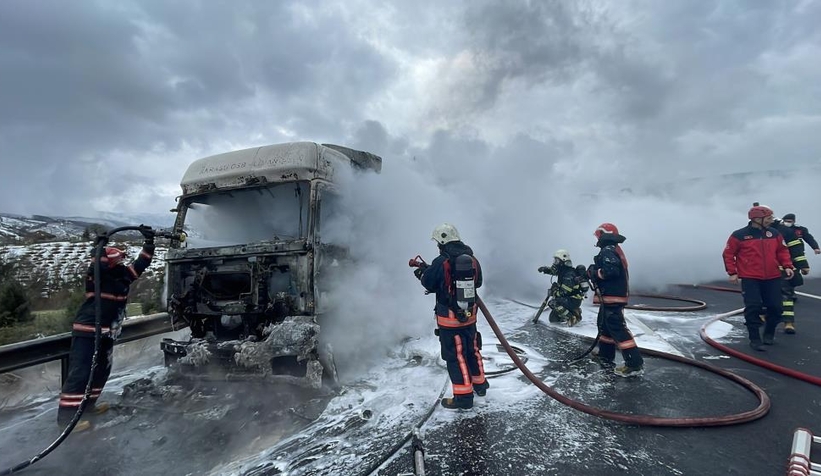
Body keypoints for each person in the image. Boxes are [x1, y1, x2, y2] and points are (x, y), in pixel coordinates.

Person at [57, 227, 155, 431]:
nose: (121, 262)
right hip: (88, 330)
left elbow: (141, 263)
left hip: (108, 331)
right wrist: (98, 249)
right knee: (81, 372)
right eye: (117, 260)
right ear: (109, 262)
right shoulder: (97, 276)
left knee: (101, 371)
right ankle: (66, 419)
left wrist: (149, 242)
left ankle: (88, 406)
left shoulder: (123, 276)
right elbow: (97, 265)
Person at [415, 223, 488, 410]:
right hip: (470, 317)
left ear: (442, 241)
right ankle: (480, 385)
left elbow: (429, 283)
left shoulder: (442, 261)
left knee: (456, 357)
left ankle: (463, 397)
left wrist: (422, 273)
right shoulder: (472, 259)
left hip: (450, 320)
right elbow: (478, 283)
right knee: (472, 350)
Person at [722, 205, 794, 351]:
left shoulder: (774, 233)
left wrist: (787, 265)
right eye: (768, 218)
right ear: (756, 219)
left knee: (776, 307)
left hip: (773, 277)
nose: (771, 221)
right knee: (753, 307)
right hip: (750, 278)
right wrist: (732, 272)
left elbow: (782, 251)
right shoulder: (739, 235)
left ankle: (769, 332)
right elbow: (728, 254)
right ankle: (754, 338)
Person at [586, 223, 644, 377]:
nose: (597, 239)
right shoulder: (613, 250)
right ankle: (605, 355)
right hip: (610, 298)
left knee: (618, 330)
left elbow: (610, 271)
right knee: (605, 327)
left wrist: (595, 272)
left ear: (604, 235)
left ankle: (634, 364)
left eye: (598, 235)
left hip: (612, 297)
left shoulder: (608, 251)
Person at [772, 214, 810, 334]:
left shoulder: (786, 232)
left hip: (783, 268)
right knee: (764, 294)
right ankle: (763, 315)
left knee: (786, 295)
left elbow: (796, 250)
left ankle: (788, 322)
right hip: (763, 270)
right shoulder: (755, 232)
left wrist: (803, 265)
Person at [537, 249, 589, 326]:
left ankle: (572, 317)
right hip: (570, 298)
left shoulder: (569, 275)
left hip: (573, 299)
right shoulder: (564, 270)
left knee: (553, 303)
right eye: (555, 260)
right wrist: (545, 269)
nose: (555, 263)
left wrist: (554, 292)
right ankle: (575, 311)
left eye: (557, 261)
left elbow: (564, 292)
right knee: (553, 319)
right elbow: (554, 271)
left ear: (563, 261)